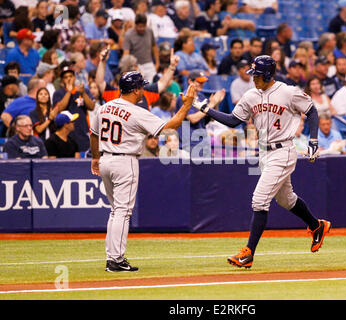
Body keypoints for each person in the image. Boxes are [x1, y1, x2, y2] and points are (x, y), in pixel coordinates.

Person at [191, 55, 331, 268]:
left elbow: (311, 110)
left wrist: (313, 139)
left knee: (259, 200)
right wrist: (206, 109)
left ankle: (248, 253)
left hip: (283, 150)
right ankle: (316, 225)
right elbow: (233, 120)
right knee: (286, 200)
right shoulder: (250, 95)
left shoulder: (288, 91)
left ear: (267, 74)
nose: (253, 78)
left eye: (256, 74)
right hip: (264, 153)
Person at [89, 72, 197, 272]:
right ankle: (115, 260)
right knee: (122, 211)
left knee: (115, 211)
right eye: (142, 87)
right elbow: (168, 128)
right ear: (137, 90)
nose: (143, 90)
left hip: (105, 159)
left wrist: (95, 158)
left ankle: (113, 257)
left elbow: (93, 134)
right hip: (124, 160)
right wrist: (186, 105)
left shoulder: (104, 107)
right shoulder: (136, 112)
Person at [175, 70, 225, 153]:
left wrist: (216, 104)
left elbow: (209, 120)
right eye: (199, 82)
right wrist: (211, 105)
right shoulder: (183, 97)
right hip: (188, 142)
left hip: (203, 140)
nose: (202, 84)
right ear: (190, 81)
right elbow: (193, 119)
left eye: (203, 82)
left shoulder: (201, 97)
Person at [53, 65, 95, 152]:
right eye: (65, 77)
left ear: (74, 77)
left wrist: (83, 93)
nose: (68, 79)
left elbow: (92, 107)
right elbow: (60, 108)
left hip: (82, 131)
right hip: (67, 133)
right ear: (62, 80)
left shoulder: (84, 91)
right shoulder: (58, 93)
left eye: (70, 76)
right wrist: (69, 92)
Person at [123, 14, 159, 83]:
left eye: (143, 26)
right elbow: (126, 53)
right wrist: (126, 68)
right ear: (135, 25)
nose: (141, 28)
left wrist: (157, 63)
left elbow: (154, 46)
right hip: (136, 65)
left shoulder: (149, 31)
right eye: (139, 27)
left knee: (153, 87)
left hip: (149, 64)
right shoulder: (128, 34)